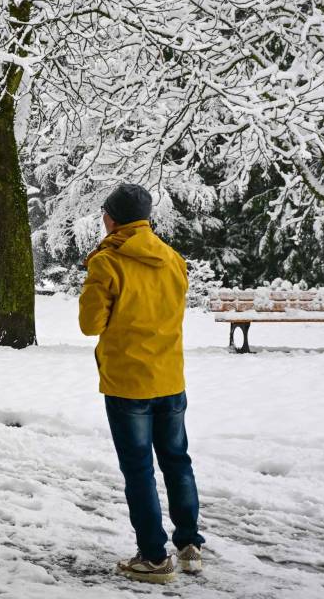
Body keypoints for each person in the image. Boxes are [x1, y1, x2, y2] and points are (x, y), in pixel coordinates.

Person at [79, 183, 205, 584]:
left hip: (127, 383)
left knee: (139, 471)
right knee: (177, 461)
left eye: (105, 213)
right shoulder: (172, 259)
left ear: (112, 218)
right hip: (170, 378)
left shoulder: (107, 262)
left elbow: (89, 324)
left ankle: (153, 557)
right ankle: (189, 544)